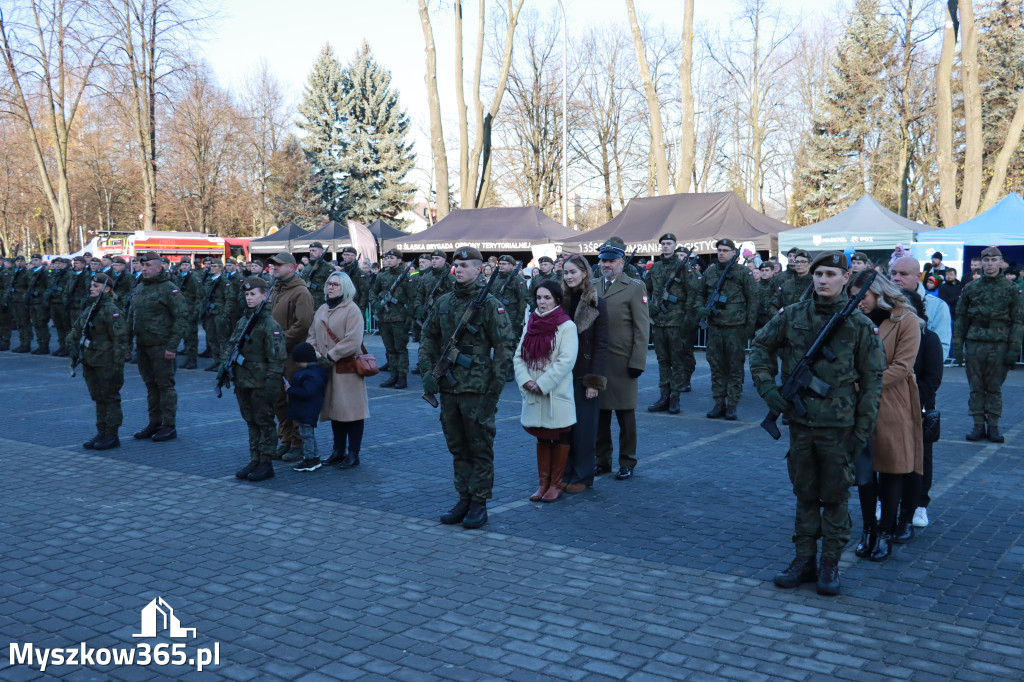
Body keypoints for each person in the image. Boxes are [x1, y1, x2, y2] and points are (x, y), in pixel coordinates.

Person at [749, 251, 886, 596]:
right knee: (805, 494)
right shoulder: (792, 315)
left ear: (845, 279)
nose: (823, 280)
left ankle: (829, 563)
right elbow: (760, 348)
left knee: (836, 496)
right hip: (801, 422)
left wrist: (862, 430)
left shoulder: (859, 325)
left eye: (830, 274)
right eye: (818, 274)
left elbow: (872, 383)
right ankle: (803, 559)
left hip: (840, 426)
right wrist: (768, 389)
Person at [419, 247, 514, 530]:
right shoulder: (444, 302)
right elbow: (427, 336)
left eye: (464, 265)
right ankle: (464, 498)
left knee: (480, 448)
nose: (458, 269)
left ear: (478, 269)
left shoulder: (490, 305)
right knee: (458, 447)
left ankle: (479, 503)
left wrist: (493, 393)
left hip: (478, 390)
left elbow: (504, 348)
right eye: (456, 265)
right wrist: (427, 372)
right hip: (450, 389)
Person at [848, 271, 922, 562]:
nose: (857, 302)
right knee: (865, 469)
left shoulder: (905, 319)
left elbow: (902, 367)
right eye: (852, 297)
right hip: (860, 402)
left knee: (891, 468)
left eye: (861, 296)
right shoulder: (853, 319)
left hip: (893, 401)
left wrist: (859, 384)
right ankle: (869, 528)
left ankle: (887, 529)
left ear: (877, 292)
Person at [514, 280, 578, 503]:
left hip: (554, 393)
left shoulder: (566, 325)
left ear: (556, 300)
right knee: (541, 436)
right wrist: (526, 381)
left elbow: (566, 360)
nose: (542, 302)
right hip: (532, 391)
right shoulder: (531, 322)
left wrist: (542, 383)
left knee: (559, 436)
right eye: (539, 297)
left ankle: (555, 484)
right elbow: (518, 356)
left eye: (547, 298)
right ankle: (542, 483)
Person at [954, 246, 1024, 442]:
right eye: (986, 260)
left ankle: (993, 426)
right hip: (975, 342)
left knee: (994, 387)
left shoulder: (1011, 289)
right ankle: (977, 425)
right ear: (981, 263)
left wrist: (1014, 349)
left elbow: (1018, 321)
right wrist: (958, 345)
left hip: (999, 344)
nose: (990, 264)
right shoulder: (971, 288)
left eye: (994, 260)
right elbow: (961, 318)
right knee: (976, 386)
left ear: (1001, 263)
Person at [593, 244, 650, 480]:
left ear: (622, 262)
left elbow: (642, 327)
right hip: (598, 360)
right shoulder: (593, 285)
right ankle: (602, 460)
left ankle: (628, 461)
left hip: (623, 361)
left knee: (626, 416)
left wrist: (638, 361)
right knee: (600, 415)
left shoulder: (635, 287)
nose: (606, 265)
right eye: (603, 261)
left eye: (611, 261)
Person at [307, 271, 369, 469]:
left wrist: (330, 356)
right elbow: (311, 334)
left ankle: (353, 453)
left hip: (347, 368)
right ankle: (338, 450)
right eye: (329, 283)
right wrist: (314, 352)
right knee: (336, 411)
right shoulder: (322, 309)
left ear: (345, 287)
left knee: (352, 412)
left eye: (335, 284)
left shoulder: (352, 310)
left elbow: (353, 340)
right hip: (327, 368)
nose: (330, 287)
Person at [227, 277, 286, 482]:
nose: (248, 298)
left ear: (264, 296)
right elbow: (232, 346)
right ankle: (255, 458)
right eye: (246, 294)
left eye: (253, 294)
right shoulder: (244, 321)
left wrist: (271, 386)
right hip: (243, 382)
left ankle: (266, 463)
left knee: (264, 422)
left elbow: (277, 359)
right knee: (251, 422)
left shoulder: (270, 324)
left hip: (261, 383)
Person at [559, 255, 608, 493]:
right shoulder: (560, 300)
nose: (568, 276)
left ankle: (583, 476)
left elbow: (601, 344)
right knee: (564, 428)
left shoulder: (597, 302)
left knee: (585, 429)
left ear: (584, 273)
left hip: (584, 373)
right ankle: (566, 472)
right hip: (562, 373)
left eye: (573, 272)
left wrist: (594, 381)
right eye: (565, 272)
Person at [127, 251, 188, 442]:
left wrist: (172, 346)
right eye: (142, 265)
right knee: (151, 386)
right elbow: (131, 316)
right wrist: (127, 344)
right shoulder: (139, 287)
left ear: (159, 267)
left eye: (148, 266)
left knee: (165, 386)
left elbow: (181, 317)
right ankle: (154, 423)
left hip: (161, 347)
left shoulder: (169, 289)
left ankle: (169, 425)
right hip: (143, 346)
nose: (143, 269)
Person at [697, 238, 758, 419]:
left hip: (735, 328)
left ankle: (732, 403)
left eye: (725, 250)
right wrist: (701, 308)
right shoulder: (710, 273)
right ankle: (719, 402)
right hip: (715, 328)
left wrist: (749, 327)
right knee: (716, 366)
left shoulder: (743, 273)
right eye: (719, 250)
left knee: (734, 367)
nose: (721, 253)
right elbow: (700, 295)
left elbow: (753, 301)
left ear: (733, 253)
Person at [68, 273, 129, 450]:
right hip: (90, 360)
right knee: (98, 397)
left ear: (107, 289)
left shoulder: (111, 310)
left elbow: (120, 339)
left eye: (96, 286)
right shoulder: (91, 308)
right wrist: (71, 346)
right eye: (91, 285)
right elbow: (76, 329)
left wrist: (118, 364)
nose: (91, 288)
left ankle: (112, 434)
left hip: (107, 361)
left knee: (110, 397)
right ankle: (101, 431)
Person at [901, 289, 943, 530]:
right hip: (888, 406)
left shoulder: (929, 338)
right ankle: (882, 501)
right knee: (885, 456)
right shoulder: (888, 334)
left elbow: (932, 378)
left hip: (919, 407)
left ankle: (919, 504)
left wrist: (911, 401)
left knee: (921, 457)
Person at [267, 252, 315, 461]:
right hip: (276, 354)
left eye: (279, 264)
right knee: (278, 400)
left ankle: (298, 443)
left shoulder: (300, 292)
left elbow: (303, 324)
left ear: (292, 268)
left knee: (293, 398)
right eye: (273, 265)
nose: (274, 268)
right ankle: (285, 440)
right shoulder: (275, 289)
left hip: (292, 354)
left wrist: (280, 342)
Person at [646, 233, 698, 413]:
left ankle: (675, 397)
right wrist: (650, 306)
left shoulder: (683, 268)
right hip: (660, 322)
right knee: (662, 361)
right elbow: (644, 290)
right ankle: (663, 396)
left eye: (669, 244)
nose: (665, 246)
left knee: (677, 361)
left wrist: (687, 319)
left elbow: (693, 293)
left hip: (677, 323)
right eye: (663, 244)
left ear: (675, 245)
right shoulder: (655, 268)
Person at [369, 248, 416, 389]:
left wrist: (409, 318)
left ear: (399, 260)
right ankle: (393, 375)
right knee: (390, 349)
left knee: (400, 349)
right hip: (384, 318)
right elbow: (372, 291)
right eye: (387, 258)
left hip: (400, 319)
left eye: (391, 258)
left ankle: (402, 376)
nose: (388, 260)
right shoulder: (382, 276)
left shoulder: (406, 277)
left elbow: (412, 299)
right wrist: (376, 304)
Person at [889, 256, 951, 359]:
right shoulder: (882, 303)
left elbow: (941, 350)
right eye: (894, 273)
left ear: (918, 277)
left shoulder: (937, 306)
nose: (896, 278)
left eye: (903, 274)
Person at [284, 342, 329, 473]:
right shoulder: (311, 372)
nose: (297, 364)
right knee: (308, 435)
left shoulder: (311, 374)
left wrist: (290, 390)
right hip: (305, 410)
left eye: (298, 361)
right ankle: (314, 457)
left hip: (307, 410)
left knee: (306, 436)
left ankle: (310, 460)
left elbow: (308, 393)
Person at [176, 258, 204, 369]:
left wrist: (196, 313)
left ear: (190, 266)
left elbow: (199, 297)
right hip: (181, 312)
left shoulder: (194, 279)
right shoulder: (179, 277)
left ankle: (192, 360)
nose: (184, 267)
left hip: (191, 311)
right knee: (185, 337)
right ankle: (188, 358)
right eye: (183, 265)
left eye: (187, 265)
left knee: (191, 337)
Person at [26, 254, 51, 354]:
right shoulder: (32, 272)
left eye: (36, 260)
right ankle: (40, 344)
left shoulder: (45, 272)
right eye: (33, 260)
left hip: (40, 302)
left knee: (41, 324)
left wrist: (42, 296)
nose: (34, 262)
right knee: (36, 324)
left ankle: (45, 345)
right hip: (33, 302)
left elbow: (48, 287)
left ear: (41, 261)